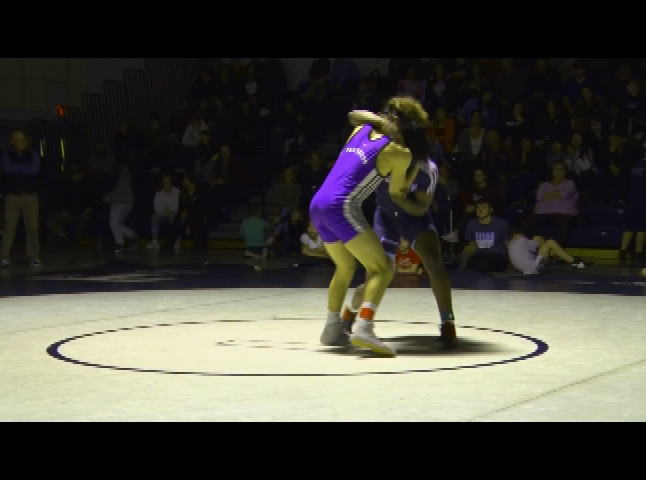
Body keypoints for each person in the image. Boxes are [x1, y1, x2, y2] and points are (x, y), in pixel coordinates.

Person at [309, 96, 428, 356]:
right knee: (382, 270)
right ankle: (364, 327)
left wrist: (381, 122)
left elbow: (355, 116)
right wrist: (411, 173)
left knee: (345, 266)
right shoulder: (401, 153)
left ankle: (332, 329)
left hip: (318, 204)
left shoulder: (360, 130)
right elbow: (396, 194)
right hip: (341, 206)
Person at [340, 155, 458, 349]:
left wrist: (400, 200)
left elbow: (421, 208)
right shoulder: (381, 158)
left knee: (434, 261)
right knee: (376, 276)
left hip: (415, 217)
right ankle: (350, 313)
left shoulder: (428, 169)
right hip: (386, 218)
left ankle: (448, 324)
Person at [508, 228, 588, 274]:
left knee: (537, 238)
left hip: (526, 270)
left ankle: (554, 254)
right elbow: (536, 246)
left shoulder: (511, 244)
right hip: (533, 269)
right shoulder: (522, 240)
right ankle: (574, 261)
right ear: (519, 234)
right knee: (550, 242)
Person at [461, 199, 510, 273]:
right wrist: (470, 249)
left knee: (484, 263)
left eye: (484, 207)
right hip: (480, 255)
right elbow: (472, 242)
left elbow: (508, 243)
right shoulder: (472, 223)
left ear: (491, 210)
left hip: (497, 256)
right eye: (478, 208)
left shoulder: (501, 223)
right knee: (470, 264)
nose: (480, 210)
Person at [619, 154, 646, 266]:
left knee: (629, 225)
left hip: (632, 199)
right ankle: (638, 253)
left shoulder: (635, 165)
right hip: (643, 199)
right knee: (642, 227)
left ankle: (623, 251)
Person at [240, 203, 270, 270]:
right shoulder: (262, 221)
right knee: (269, 241)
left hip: (249, 247)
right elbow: (269, 227)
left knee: (248, 251)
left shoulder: (244, 222)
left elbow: (242, 234)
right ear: (258, 211)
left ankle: (251, 254)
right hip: (261, 247)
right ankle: (262, 253)